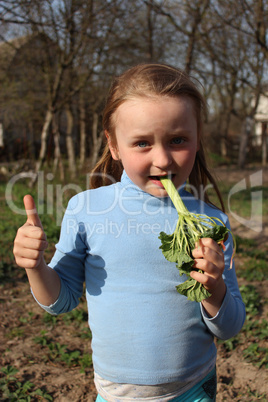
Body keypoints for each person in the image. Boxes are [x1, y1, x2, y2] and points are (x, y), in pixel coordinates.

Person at [13, 63, 245, 402]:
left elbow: (230, 327)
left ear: (198, 140)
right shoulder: (86, 210)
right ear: (114, 145)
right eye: (142, 143)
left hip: (193, 387)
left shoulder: (212, 223)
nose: (163, 159)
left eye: (178, 140)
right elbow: (60, 301)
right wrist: (35, 266)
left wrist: (214, 288)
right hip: (116, 392)